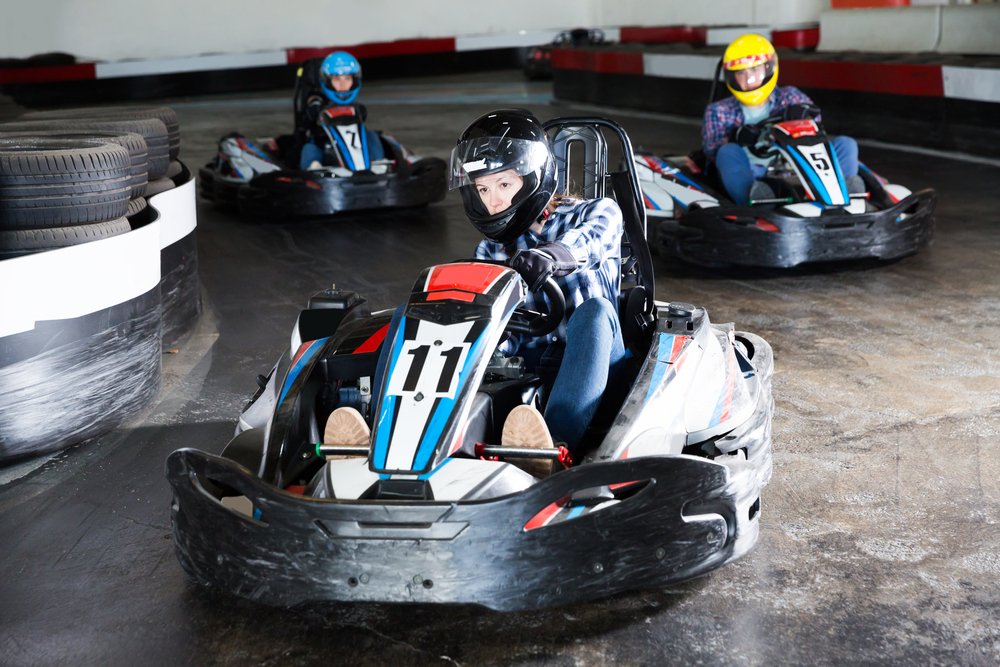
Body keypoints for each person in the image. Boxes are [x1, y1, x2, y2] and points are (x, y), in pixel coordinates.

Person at [325, 109, 627, 468]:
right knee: (414, 315)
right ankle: (385, 437)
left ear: (534, 178)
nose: (493, 201)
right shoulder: (490, 249)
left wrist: (552, 255)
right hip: (527, 362)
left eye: (503, 185)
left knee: (594, 313)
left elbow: (590, 241)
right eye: (482, 188)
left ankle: (551, 451)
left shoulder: (596, 212)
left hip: (597, 360)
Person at [702, 33, 862, 205]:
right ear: (732, 77)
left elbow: (815, 120)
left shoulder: (789, 96)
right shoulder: (719, 110)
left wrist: (802, 116)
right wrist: (735, 138)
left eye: (755, 70)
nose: (749, 79)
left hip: (799, 167)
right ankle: (754, 201)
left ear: (768, 68)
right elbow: (712, 151)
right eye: (741, 73)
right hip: (753, 171)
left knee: (846, 144)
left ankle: (844, 195)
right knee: (727, 152)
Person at [298, 51, 385, 170]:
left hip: (355, 151)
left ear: (354, 81)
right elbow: (313, 99)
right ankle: (314, 170)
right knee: (309, 149)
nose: (343, 84)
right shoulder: (319, 98)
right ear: (328, 81)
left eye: (347, 78)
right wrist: (316, 106)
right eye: (337, 79)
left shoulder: (357, 108)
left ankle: (379, 164)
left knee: (372, 135)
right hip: (326, 152)